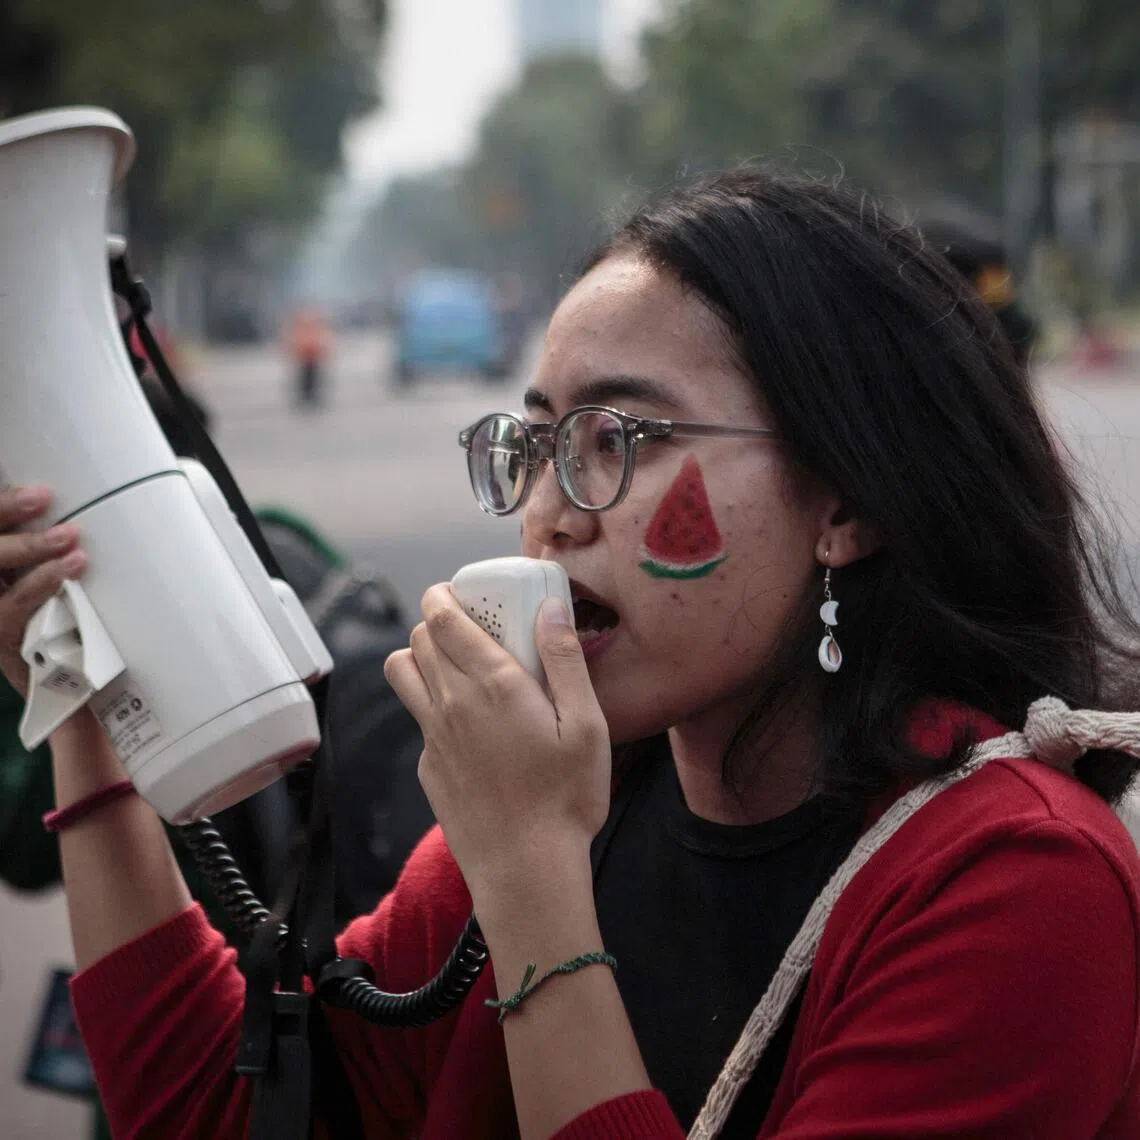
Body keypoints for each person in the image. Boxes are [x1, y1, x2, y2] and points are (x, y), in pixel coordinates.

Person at [3, 168, 1140, 1140]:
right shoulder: (572, 813)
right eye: (535, 446)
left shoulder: (1020, 887)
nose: (548, 512)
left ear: (843, 501)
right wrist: (91, 712)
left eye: (617, 440)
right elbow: (224, 1111)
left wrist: (535, 884)